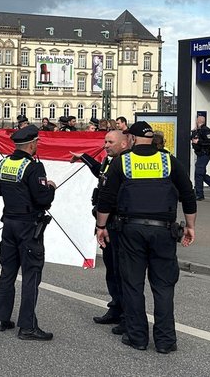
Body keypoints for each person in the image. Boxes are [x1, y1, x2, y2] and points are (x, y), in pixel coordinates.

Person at [96, 121, 197, 354]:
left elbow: (107, 197)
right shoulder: (168, 160)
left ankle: (137, 337)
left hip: (131, 230)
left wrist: (101, 226)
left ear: (131, 139)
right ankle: (165, 341)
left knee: (132, 284)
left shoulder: (123, 161)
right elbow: (188, 194)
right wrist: (190, 226)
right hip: (164, 230)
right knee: (163, 286)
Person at [0, 125, 57, 341]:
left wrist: (12, 192)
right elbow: (43, 199)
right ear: (32, 144)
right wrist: (51, 188)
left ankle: (1, 318)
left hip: (8, 223)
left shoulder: (3, 163)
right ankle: (27, 326)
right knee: (31, 274)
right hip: (29, 226)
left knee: (7, 271)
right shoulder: (34, 167)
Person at [71, 130, 132, 335]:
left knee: (121, 271)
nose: (105, 145)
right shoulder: (109, 160)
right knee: (111, 269)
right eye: (105, 141)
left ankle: (126, 316)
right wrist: (85, 158)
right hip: (106, 225)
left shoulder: (125, 163)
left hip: (117, 224)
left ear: (124, 144)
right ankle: (115, 308)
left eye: (110, 142)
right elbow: (100, 173)